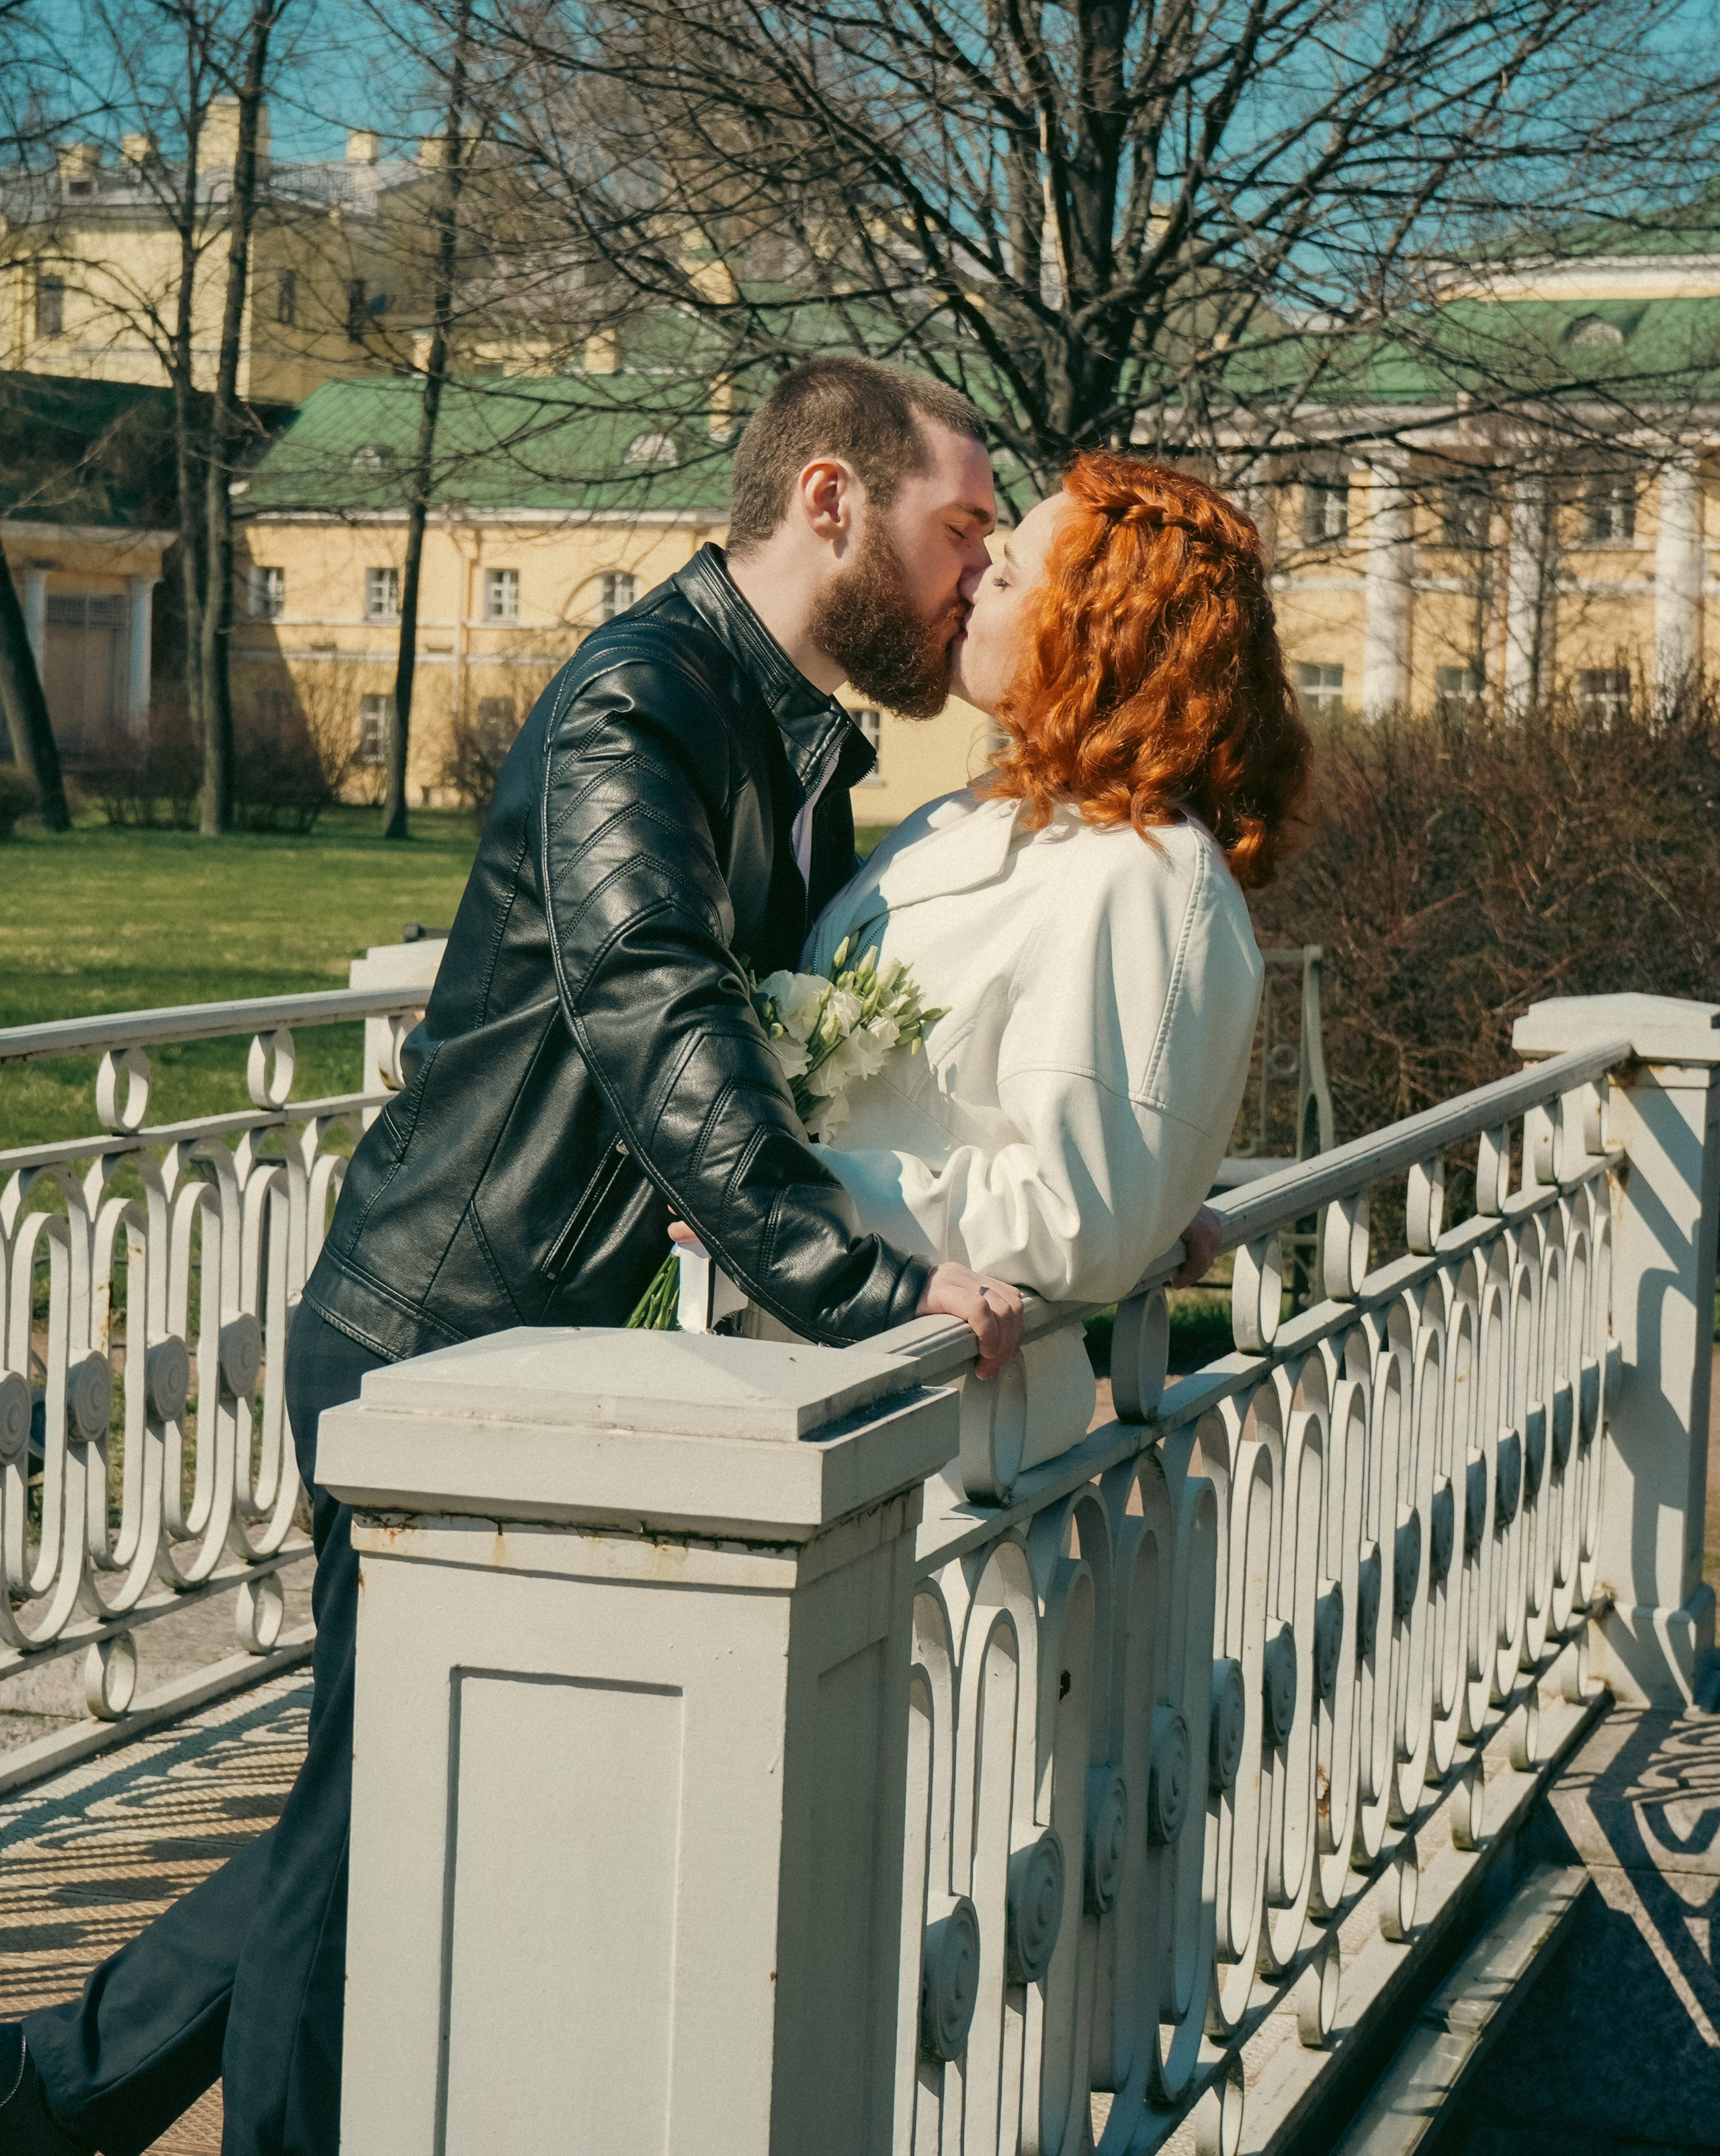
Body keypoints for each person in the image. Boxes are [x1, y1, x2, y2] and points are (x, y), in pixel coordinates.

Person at [0, 355, 1028, 2156]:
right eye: (965, 526)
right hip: (424, 1334)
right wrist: (871, 1290)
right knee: (378, 1808)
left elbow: (786, 1039)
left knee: (366, 1791)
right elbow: (656, 1013)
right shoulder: (640, 705)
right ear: (834, 503)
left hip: (528, 1342)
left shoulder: (796, 739)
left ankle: (53, 2092)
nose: (980, 569)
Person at [797, 452, 1311, 1475]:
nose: (978, 572)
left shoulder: (1148, 877)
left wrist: (786, 1188)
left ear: (1103, 632)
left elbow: (1077, 1218)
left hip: (947, 1443)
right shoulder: (964, 816)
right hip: (834, 1382)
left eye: (1016, 571)